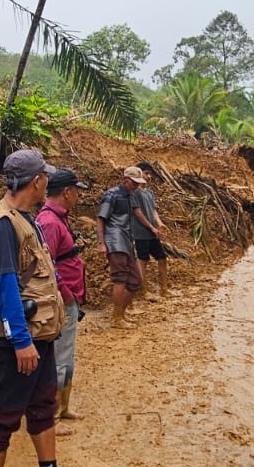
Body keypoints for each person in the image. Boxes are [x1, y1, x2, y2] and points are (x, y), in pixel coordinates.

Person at [0, 149, 65, 467]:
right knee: (2, 417)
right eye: (46, 178)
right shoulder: (3, 225)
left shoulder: (26, 219)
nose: (47, 184)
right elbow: (5, 289)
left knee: (43, 406)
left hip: (39, 336)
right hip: (20, 342)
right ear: (38, 181)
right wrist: (21, 341)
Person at [35, 168, 89, 436]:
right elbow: (46, 265)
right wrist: (66, 293)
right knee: (58, 357)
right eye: (76, 190)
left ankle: (63, 407)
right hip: (62, 300)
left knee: (67, 354)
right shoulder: (49, 223)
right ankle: (51, 416)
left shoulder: (58, 219)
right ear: (67, 192)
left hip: (70, 297)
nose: (78, 194)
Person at [97, 166, 146, 329]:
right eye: (134, 183)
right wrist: (102, 243)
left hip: (127, 241)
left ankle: (120, 314)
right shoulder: (112, 195)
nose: (137, 186)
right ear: (125, 180)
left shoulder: (130, 195)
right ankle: (117, 318)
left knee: (135, 281)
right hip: (115, 241)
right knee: (120, 279)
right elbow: (101, 219)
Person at [131, 162, 176, 301]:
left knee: (162, 258)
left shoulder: (149, 193)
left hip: (152, 233)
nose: (149, 176)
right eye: (146, 173)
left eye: (150, 174)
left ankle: (164, 289)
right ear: (139, 174)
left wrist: (160, 223)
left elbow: (153, 210)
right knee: (142, 261)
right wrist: (151, 227)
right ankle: (143, 292)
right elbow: (138, 213)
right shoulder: (135, 193)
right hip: (141, 233)